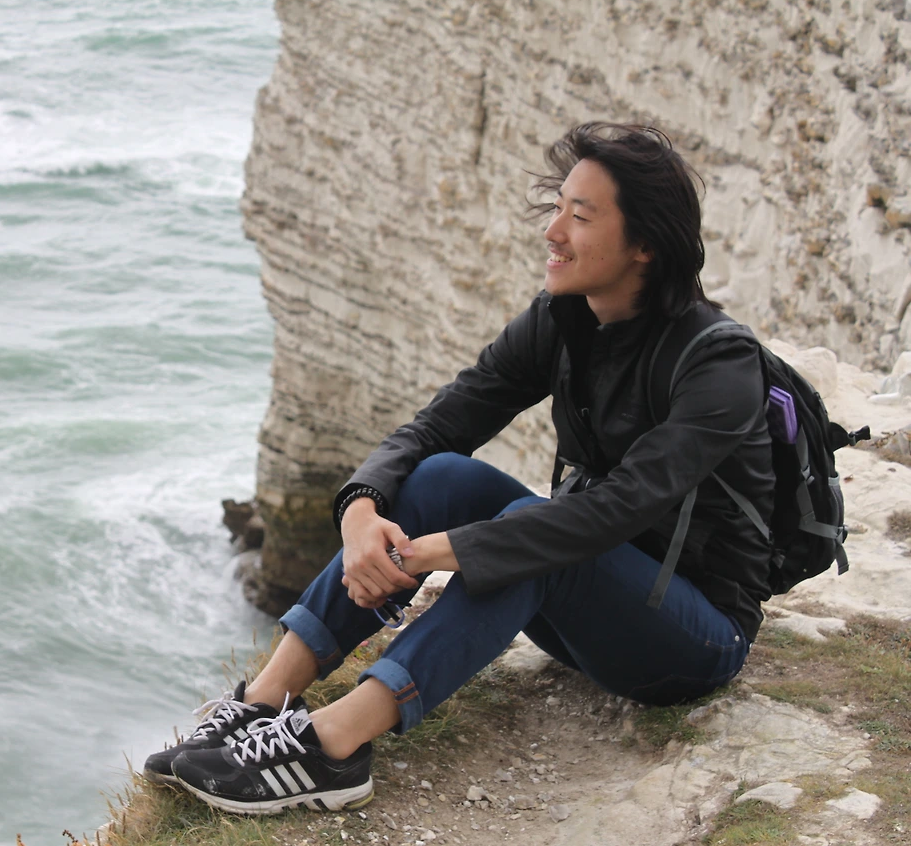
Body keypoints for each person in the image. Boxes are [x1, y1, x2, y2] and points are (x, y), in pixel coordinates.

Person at [143, 122, 774, 816]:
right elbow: (437, 426)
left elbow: (614, 509)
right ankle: (264, 701)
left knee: (531, 530)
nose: (553, 232)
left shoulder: (719, 362)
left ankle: (331, 746)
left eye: (580, 216)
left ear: (645, 244)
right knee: (443, 475)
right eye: (556, 207)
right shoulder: (564, 320)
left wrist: (428, 553)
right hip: (588, 605)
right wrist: (359, 511)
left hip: (694, 637)